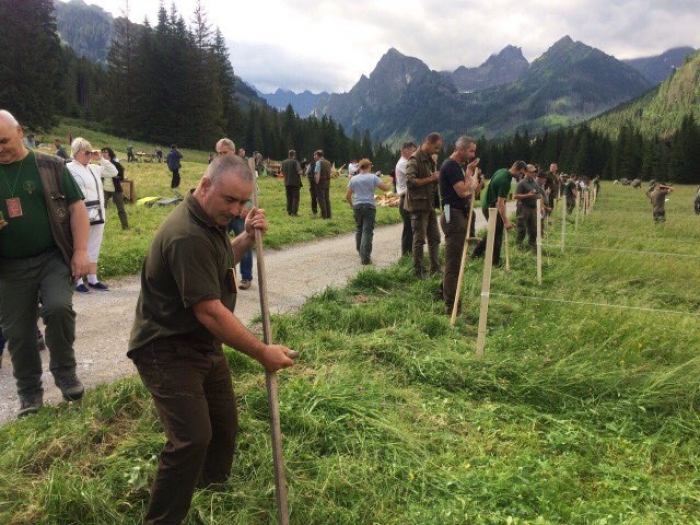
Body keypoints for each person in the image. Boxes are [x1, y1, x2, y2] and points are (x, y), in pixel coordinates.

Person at [128, 153, 296, 525]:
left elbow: (220, 262)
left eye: (243, 202)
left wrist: (247, 238)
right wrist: (262, 352)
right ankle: (162, 519)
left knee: (223, 427)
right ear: (205, 186)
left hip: (201, 344)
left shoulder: (209, 221)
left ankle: (209, 491)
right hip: (166, 348)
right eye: (230, 200)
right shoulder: (186, 234)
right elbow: (210, 311)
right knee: (191, 439)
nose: (237, 209)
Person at [0, 109, 91, 417]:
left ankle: (65, 373)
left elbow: (78, 209)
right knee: (19, 332)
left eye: (3, 141)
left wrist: (80, 252)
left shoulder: (50, 166)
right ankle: (29, 393)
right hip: (9, 268)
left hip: (52, 256)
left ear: (20, 131)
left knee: (58, 308)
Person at [67, 138, 117, 293]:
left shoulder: (94, 168)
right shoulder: (68, 168)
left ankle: (93, 278)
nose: (89, 155)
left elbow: (114, 172)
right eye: (86, 152)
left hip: (98, 212)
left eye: (91, 152)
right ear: (76, 153)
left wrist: (101, 158)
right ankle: (78, 279)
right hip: (81, 213)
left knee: (94, 245)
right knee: (79, 245)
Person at [438, 136, 479, 313]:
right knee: (454, 263)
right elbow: (462, 191)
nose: (473, 154)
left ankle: (444, 291)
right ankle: (451, 305)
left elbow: (467, 189)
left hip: (456, 213)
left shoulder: (457, 167)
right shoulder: (451, 166)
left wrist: (470, 176)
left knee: (455, 258)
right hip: (452, 214)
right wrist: (471, 179)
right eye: (471, 151)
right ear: (461, 150)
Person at [472, 161, 526, 266]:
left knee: (494, 232)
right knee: (497, 234)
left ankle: (476, 253)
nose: (521, 176)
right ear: (516, 169)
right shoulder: (506, 181)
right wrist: (505, 221)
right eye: (521, 174)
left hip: (487, 205)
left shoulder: (501, 171)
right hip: (492, 209)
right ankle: (495, 262)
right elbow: (500, 203)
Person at [217, 139, 254, 291]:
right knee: (220, 246)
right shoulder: (216, 168)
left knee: (243, 244)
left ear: (232, 152)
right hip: (222, 214)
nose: (221, 156)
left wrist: (247, 206)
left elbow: (253, 189)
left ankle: (246, 278)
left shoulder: (243, 168)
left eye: (224, 153)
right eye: (219, 153)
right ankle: (224, 279)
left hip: (239, 214)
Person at [405, 132, 443, 277]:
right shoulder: (415, 159)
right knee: (419, 240)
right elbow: (410, 182)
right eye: (436, 147)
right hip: (419, 207)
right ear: (428, 143)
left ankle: (435, 267)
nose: (437, 151)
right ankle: (418, 271)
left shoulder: (429, 159)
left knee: (435, 238)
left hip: (430, 205)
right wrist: (431, 178)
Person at [346, 158, 392, 265]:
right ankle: (365, 258)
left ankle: (360, 251)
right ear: (369, 166)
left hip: (357, 206)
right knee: (367, 231)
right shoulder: (373, 177)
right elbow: (385, 188)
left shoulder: (353, 179)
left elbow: (347, 196)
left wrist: (353, 206)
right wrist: (391, 181)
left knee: (359, 229)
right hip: (369, 206)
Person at [395, 141, 417, 256]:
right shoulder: (404, 163)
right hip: (406, 198)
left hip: (407, 198)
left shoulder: (405, 162)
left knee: (410, 229)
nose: (415, 154)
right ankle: (406, 255)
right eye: (413, 151)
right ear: (405, 150)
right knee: (409, 230)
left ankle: (409, 255)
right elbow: (416, 176)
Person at [101, 147, 130, 230]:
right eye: (102, 152)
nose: (103, 153)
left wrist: (116, 176)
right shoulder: (101, 164)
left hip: (116, 189)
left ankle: (125, 227)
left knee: (121, 209)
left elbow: (121, 176)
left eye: (105, 152)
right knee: (102, 208)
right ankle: (100, 227)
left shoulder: (116, 164)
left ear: (110, 153)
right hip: (105, 189)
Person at [514, 164, 540, 252]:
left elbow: (537, 194)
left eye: (534, 172)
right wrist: (527, 195)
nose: (533, 173)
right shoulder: (522, 183)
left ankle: (532, 246)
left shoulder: (534, 182)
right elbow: (516, 196)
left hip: (533, 208)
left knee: (533, 229)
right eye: (531, 172)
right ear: (526, 172)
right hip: (523, 208)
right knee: (522, 229)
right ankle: (518, 247)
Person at [281, 149, 303, 216]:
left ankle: (289, 211)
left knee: (289, 198)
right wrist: (302, 171)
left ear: (288, 154)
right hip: (295, 183)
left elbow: (282, 171)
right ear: (294, 155)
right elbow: (299, 172)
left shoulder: (284, 162)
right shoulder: (295, 162)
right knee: (295, 198)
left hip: (287, 182)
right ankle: (294, 212)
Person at [313, 149, 332, 219]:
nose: (314, 157)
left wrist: (317, 183)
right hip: (327, 182)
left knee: (321, 199)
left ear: (318, 155)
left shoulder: (318, 163)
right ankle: (329, 215)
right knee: (327, 199)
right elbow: (329, 173)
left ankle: (324, 216)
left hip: (321, 182)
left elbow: (317, 173)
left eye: (314, 155)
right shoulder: (328, 162)